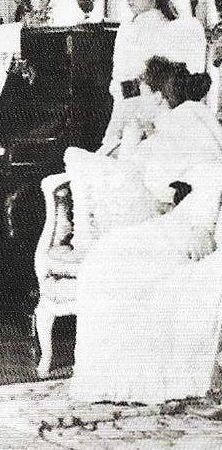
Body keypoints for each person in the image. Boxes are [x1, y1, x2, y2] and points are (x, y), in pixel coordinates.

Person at [63, 56, 222, 404]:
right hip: (192, 215)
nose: (135, 101)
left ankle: (120, 377)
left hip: (200, 218)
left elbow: (197, 177)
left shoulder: (181, 124)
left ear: (156, 97)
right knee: (112, 257)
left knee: (112, 259)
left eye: (142, 93)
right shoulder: (191, 118)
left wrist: (130, 134)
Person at [101, 0, 206, 154]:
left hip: (152, 113)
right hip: (123, 110)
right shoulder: (126, 28)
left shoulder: (173, 29)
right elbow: (119, 80)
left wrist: (148, 120)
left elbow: (173, 87)